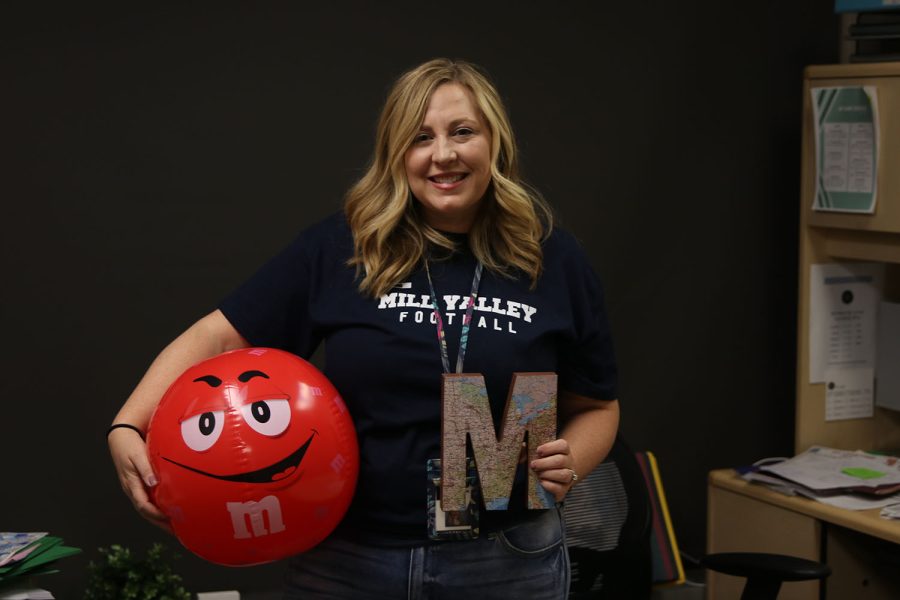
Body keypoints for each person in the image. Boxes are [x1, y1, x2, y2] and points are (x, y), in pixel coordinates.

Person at [108, 58, 620, 599]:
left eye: (462, 131)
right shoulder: (344, 247)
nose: (443, 154)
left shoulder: (551, 258)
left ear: (495, 141)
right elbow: (218, 337)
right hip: (349, 560)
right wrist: (127, 425)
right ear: (398, 153)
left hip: (508, 557)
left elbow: (598, 407)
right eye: (420, 137)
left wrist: (569, 465)